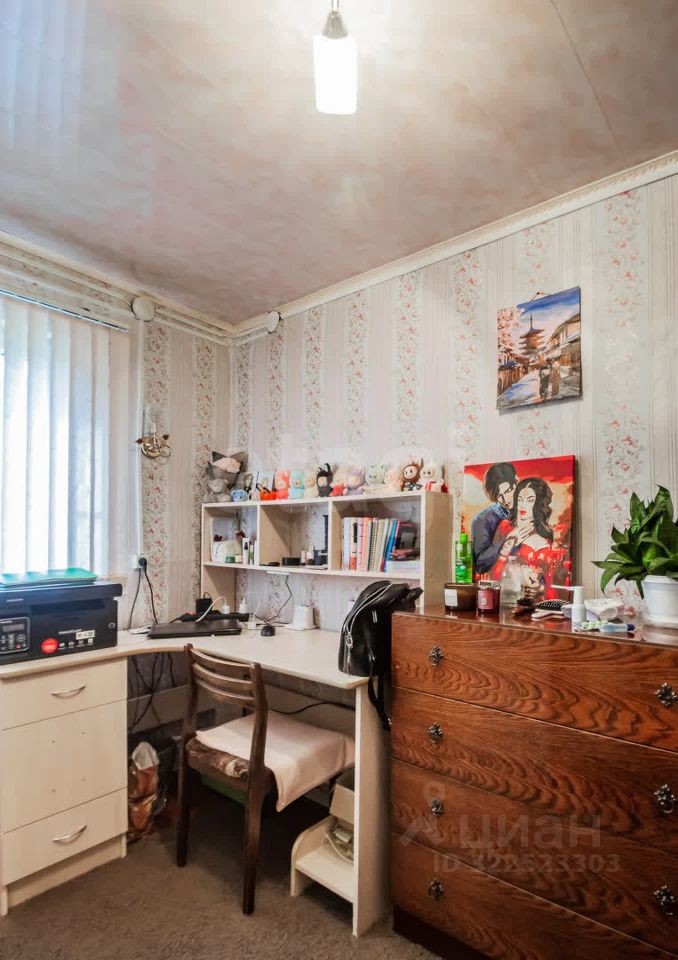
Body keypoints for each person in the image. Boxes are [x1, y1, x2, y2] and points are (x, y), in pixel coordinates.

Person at [491, 477, 562, 599]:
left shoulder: (548, 533)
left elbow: (552, 580)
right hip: (510, 599)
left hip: (542, 602)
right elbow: (494, 577)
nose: (522, 505)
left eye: (530, 500)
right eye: (519, 499)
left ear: (539, 503)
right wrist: (507, 548)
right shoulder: (506, 528)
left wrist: (543, 590)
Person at [471, 462, 518, 574]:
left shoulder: (531, 509)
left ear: (516, 481)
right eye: (499, 496)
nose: (505, 499)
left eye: (508, 491)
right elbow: (479, 565)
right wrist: (505, 542)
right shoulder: (482, 520)